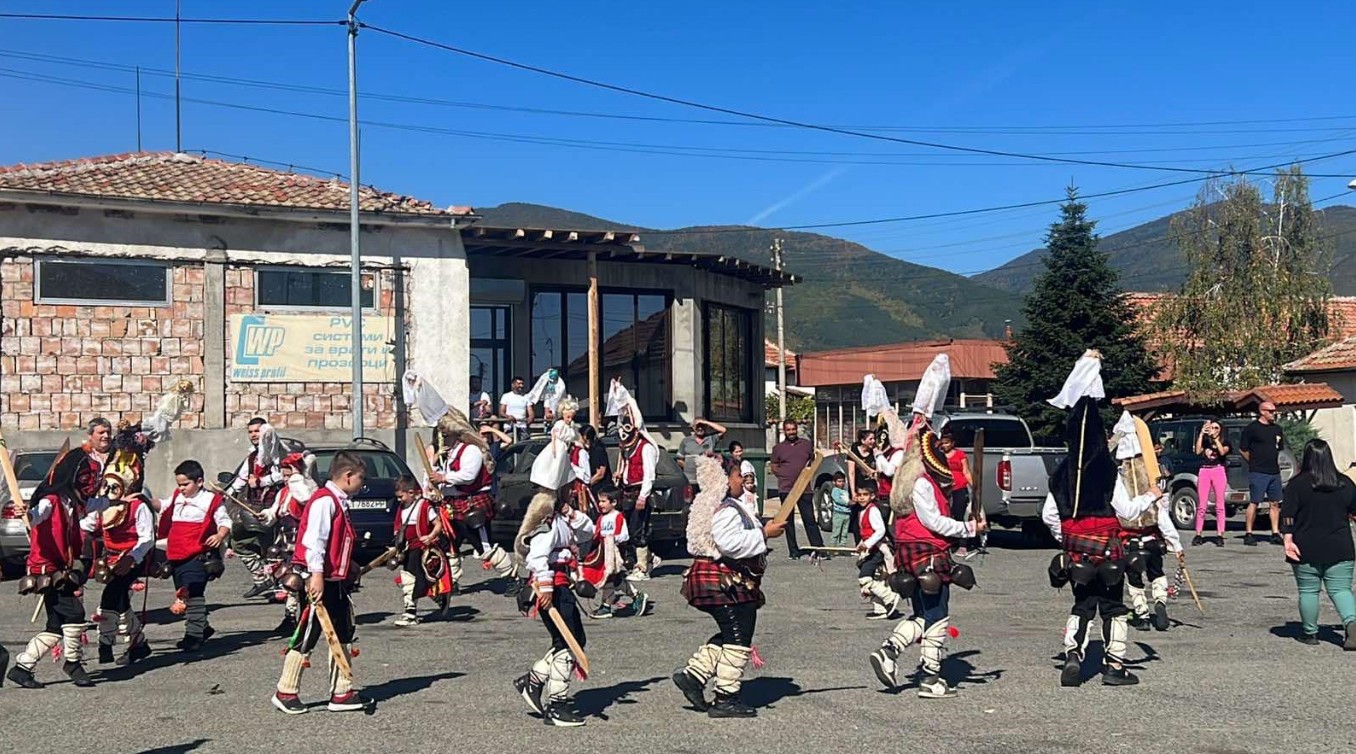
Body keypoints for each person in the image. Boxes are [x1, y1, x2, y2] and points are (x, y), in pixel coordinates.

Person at [1042, 352, 1163, 688]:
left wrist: (1066, 536)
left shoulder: (1061, 473)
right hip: (1107, 549)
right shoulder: (1108, 471)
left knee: (1082, 604)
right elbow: (1125, 511)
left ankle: (1072, 655)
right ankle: (1114, 665)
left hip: (1076, 551)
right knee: (1112, 607)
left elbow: (1049, 514)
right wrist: (1151, 496)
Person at [869, 432, 984, 698]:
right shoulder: (922, 484)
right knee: (937, 614)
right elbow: (933, 521)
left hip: (913, 552)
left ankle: (889, 652)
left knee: (923, 614)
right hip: (928, 552)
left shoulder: (911, 482)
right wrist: (968, 528)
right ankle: (930, 677)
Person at [673, 458, 785, 718]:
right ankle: (726, 696)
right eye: (736, 476)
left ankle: (694, 676)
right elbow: (728, 543)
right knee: (738, 637)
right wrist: (764, 534)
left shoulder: (727, 505)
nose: (741, 481)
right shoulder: (725, 509)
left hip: (720, 580)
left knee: (732, 632)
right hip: (721, 580)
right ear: (725, 480)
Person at [272, 450, 372, 714]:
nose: (363, 485)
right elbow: (314, 541)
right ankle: (286, 690)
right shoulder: (324, 501)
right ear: (348, 476)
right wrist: (316, 576)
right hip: (318, 578)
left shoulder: (339, 501)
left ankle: (342, 691)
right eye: (361, 479)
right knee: (310, 631)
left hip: (334, 578)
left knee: (342, 631)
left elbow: (338, 543)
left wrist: (349, 565)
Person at [6, 444, 102, 689]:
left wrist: (125, 493)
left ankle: (22, 667)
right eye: (85, 478)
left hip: (63, 567)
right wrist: (26, 512)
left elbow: (101, 504)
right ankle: (73, 663)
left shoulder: (74, 501)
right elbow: (36, 516)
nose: (89, 483)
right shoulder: (51, 501)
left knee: (56, 625)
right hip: (48, 570)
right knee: (75, 614)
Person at [514, 491, 596, 727]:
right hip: (553, 586)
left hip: (562, 585)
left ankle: (532, 680)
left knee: (570, 641)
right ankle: (556, 705)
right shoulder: (547, 524)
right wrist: (547, 588)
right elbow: (537, 556)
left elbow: (587, 531)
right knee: (570, 644)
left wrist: (571, 513)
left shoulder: (563, 519)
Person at [1280, 439, 1356, 648]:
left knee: (1308, 591)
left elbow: (1287, 516)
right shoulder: (1345, 483)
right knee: (1341, 590)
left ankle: (1310, 633)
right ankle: (1352, 624)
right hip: (1340, 545)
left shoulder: (1297, 484)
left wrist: (1287, 539)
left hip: (1305, 546)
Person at [432, 411, 516, 585]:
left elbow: (468, 475)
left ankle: (512, 578)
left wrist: (444, 478)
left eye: (445, 434)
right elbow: (445, 476)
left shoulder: (471, 450)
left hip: (471, 504)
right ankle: (452, 582)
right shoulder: (450, 453)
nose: (442, 438)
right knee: (450, 545)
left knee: (483, 546)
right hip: (452, 505)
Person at [82, 466, 155, 667]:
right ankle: (138, 643)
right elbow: (85, 526)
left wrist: (132, 558)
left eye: (113, 487)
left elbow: (147, 538)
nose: (108, 490)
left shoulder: (138, 506)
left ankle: (105, 643)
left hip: (133, 558)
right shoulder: (102, 506)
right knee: (121, 603)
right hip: (110, 559)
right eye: (105, 486)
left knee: (111, 597)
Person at [160, 460, 231, 653]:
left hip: (198, 554)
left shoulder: (211, 500)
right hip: (177, 554)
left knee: (192, 593)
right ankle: (203, 627)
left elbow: (224, 521)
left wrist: (219, 535)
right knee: (185, 594)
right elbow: (162, 506)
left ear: (199, 481)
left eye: (185, 484)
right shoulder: (176, 496)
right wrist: (141, 498)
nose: (181, 488)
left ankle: (193, 636)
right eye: (179, 485)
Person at [226, 417, 284, 598]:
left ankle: (281, 589)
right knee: (239, 542)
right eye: (250, 432)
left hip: (275, 507)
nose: (253, 435)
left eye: (257, 431)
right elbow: (241, 480)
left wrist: (260, 481)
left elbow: (284, 474)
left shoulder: (277, 453)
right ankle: (262, 577)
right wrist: (226, 494)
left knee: (273, 549)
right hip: (255, 508)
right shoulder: (252, 457)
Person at [261, 451, 317, 636]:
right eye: (284, 476)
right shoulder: (283, 492)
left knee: (304, 579)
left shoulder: (305, 489)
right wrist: (266, 515)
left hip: (302, 541)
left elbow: (304, 498)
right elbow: (274, 513)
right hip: (286, 540)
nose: (286, 479)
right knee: (289, 580)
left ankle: (309, 616)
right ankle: (290, 617)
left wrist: (296, 477)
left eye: (288, 475)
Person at [582, 489, 650, 619]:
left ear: (613, 502)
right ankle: (610, 605)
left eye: (603, 501)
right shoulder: (601, 518)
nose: (600, 504)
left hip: (616, 553)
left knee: (613, 579)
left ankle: (633, 596)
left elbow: (624, 535)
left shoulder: (618, 517)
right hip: (603, 553)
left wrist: (612, 538)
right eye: (599, 501)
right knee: (611, 579)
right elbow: (596, 533)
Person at [392, 475, 449, 627]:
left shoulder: (424, 506)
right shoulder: (402, 507)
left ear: (411, 492)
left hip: (422, 549)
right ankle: (410, 611)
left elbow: (438, 524)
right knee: (408, 578)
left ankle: (435, 598)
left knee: (421, 579)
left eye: (401, 496)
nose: (399, 500)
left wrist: (430, 537)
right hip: (408, 548)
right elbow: (399, 526)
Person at [616, 399, 659, 580]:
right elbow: (627, 466)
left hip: (639, 493)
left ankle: (642, 569)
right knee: (628, 530)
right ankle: (649, 558)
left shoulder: (646, 448)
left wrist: (643, 496)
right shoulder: (628, 450)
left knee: (638, 530)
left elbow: (649, 475)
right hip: (627, 492)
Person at [770, 420, 822, 559]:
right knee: (788, 522)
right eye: (788, 430)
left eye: (793, 429)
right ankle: (793, 551)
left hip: (804, 488)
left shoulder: (806, 444)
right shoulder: (778, 448)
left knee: (809, 519)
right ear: (784, 431)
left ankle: (819, 549)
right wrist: (783, 475)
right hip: (786, 489)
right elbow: (774, 466)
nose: (791, 432)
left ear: (796, 429)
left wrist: (807, 474)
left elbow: (812, 460)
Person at [853, 479, 902, 620]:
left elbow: (880, 531)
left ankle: (889, 597)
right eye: (859, 494)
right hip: (870, 549)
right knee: (878, 580)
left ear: (872, 496)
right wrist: (861, 545)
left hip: (878, 550)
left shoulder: (873, 510)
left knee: (865, 578)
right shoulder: (861, 511)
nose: (862, 497)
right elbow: (866, 532)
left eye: (865, 494)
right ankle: (880, 609)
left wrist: (867, 544)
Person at [1240, 402, 1286, 546]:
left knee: (1275, 503)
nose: (1274, 413)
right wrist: (1253, 462)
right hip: (1258, 471)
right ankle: (1249, 533)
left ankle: (1275, 533)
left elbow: (1279, 448)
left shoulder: (1277, 429)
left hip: (1274, 471)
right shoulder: (1252, 429)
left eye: (1274, 411)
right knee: (1255, 502)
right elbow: (1243, 449)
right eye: (1271, 411)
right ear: (1262, 412)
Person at [1193, 419, 1231, 547]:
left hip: (1218, 470)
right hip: (1204, 470)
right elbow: (1198, 451)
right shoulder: (1205, 441)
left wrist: (1215, 439)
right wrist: (1201, 434)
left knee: (1219, 505)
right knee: (1202, 505)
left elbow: (1222, 452)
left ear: (1220, 430)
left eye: (1216, 428)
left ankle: (1220, 534)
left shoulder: (1225, 441)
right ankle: (1198, 533)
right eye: (1212, 427)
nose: (1213, 430)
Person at [939, 428, 975, 556]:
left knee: (960, 515)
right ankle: (947, 543)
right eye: (943, 443)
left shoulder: (960, 455)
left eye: (947, 443)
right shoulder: (939, 455)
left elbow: (966, 471)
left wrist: (974, 487)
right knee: (946, 515)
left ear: (952, 443)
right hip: (944, 488)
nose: (945, 445)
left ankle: (962, 544)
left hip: (959, 487)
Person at [677, 418, 728, 491]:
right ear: (693, 427)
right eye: (698, 426)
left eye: (702, 426)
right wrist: (689, 466)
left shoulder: (711, 438)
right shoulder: (686, 441)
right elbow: (679, 459)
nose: (700, 428)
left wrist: (705, 422)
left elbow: (723, 430)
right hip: (691, 478)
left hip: (707, 478)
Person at [499, 376, 534, 442]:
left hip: (522, 427)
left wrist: (531, 417)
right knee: (509, 446)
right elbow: (501, 412)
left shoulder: (526, 397)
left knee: (522, 447)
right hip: (509, 427)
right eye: (519, 384)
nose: (521, 385)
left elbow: (531, 412)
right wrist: (508, 416)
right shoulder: (506, 396)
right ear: (513, 385)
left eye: (522, 384)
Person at [582, 425, 612, 496]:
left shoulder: (598, 450)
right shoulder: (589, 450)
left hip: (601, 489)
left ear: (585, 437)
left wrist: (588, 484)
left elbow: (600, 473)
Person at [831, 472, 853, 547]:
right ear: (834, 482)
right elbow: (838, 500)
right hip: (838, 514)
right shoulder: (835, 490)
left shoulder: (845, 491)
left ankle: (842, 547)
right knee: (836, 532)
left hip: (847, 514)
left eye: (843, 481)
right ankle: (832, 547)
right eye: (839, 481)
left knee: (844, 532)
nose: (842, 483)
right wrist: (848, 503)